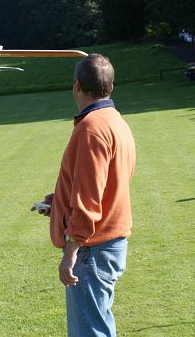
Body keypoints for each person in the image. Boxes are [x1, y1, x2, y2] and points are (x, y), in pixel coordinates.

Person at [33, 53, 136, 337]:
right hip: (107, 242)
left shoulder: (92, 128)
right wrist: (59, 203)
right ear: (110, 87)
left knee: (91, 332)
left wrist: (71, 251)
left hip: (93, 247)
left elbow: (90, 197)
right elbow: (108, 184)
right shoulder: (115, 120)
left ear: (77, 85)